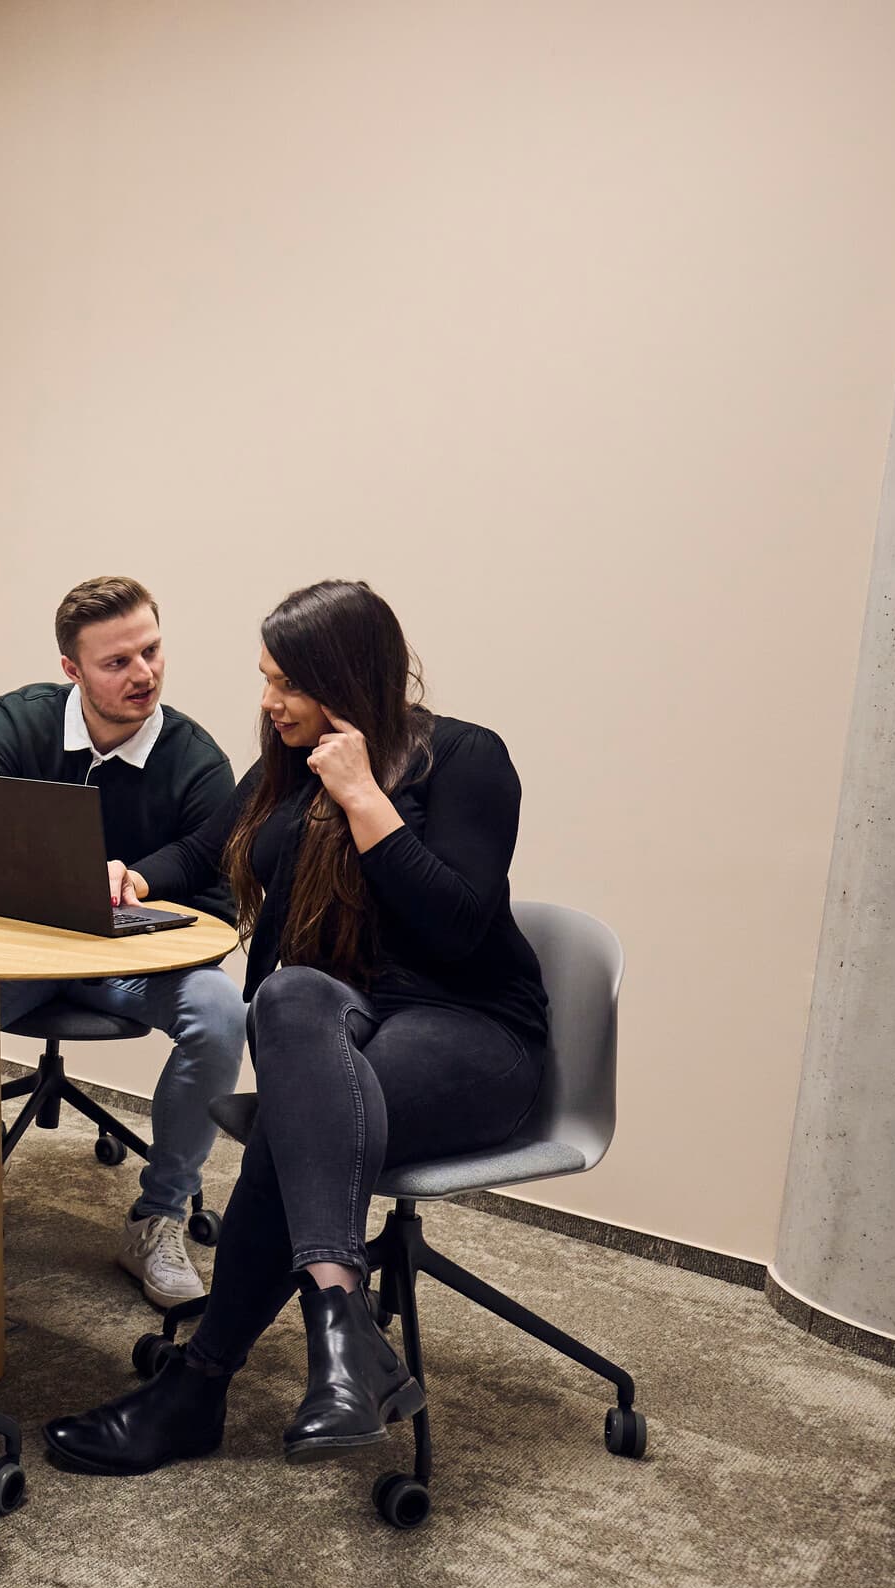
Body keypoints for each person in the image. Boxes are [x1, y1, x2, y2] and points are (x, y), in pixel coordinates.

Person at [42, 578, 551, 1477]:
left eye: (288, 684)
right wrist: (133, 877)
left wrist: (363, 798)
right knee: (285, 997)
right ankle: (343, 1332)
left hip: (471, 1030)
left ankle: (199, 1387)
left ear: (347, 680)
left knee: (295, 1123)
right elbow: (203, 849)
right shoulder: (288, 762)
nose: (270, 702)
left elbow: (459, 927)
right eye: (266, 679)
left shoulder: (467, 758)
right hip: (339, 1025)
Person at [0, 576, 246, 1310]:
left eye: (151, 651)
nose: (143, 673)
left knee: (221, 1012)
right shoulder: (18, 722)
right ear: (72, 670)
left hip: (131, 967)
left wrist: (137, 900)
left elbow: (220, 901)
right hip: (25, 951)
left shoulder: (197, 761)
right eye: (117, 662)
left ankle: (158, 1216)